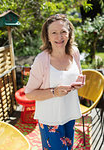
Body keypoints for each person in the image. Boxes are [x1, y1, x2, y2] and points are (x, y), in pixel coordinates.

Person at [25, 14, 86, 150]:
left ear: (69, 33)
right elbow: (29, 93)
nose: (60, 37)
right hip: (50, 119)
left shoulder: (74, 52)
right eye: (54, 33)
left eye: (63, 31)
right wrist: (54, 92)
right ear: (47, 36)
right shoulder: (42, 60)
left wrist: (79, 82)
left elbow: (77, 75)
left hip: (69, 114)